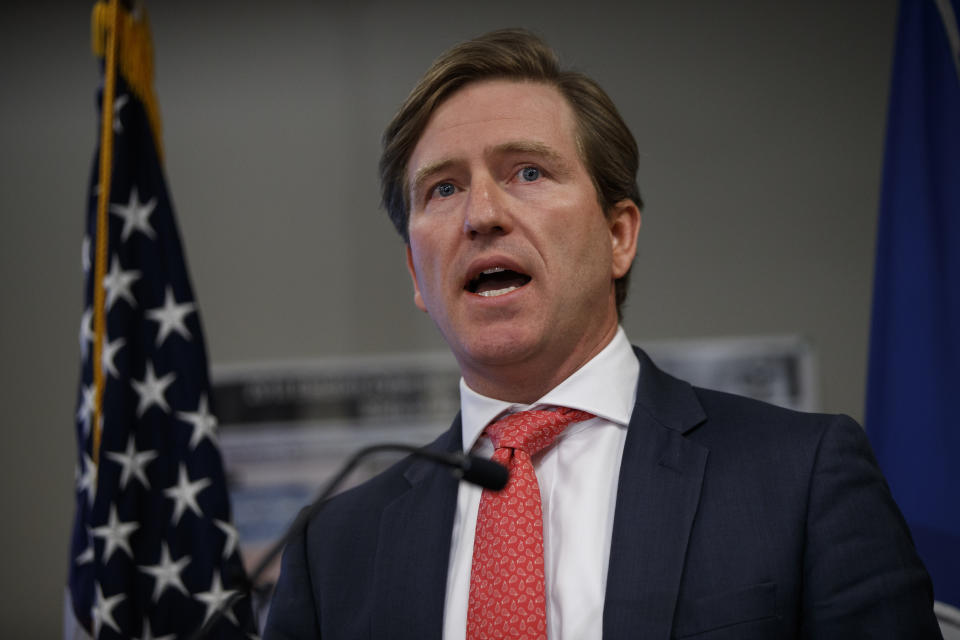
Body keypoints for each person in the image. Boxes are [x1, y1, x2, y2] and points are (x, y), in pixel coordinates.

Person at [264, 29, 941, 639]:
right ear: (417, 272)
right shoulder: (334, 551)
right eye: (442, 189)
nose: (482, 214)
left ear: (619, 235)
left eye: (527, 172)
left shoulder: (801, 477)